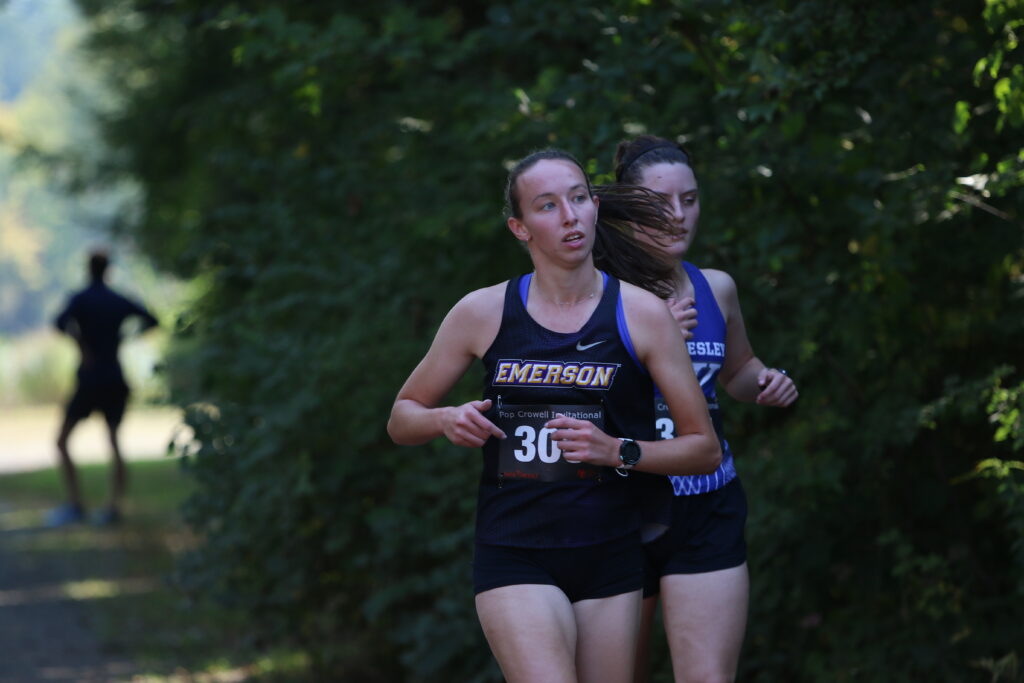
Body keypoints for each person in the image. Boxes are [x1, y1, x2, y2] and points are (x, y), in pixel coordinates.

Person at [387, 149, 722, 683]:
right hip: (514, 552)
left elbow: (704, 449)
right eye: (548, 206)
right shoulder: (482, 311)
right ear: (520, 228)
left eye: (579, 198)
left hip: (610, 551)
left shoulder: (642, 315)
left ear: (593, 208)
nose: (570, 216)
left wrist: (618, 450)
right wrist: (444, 419)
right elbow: (402, 417)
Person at [613, 136, 799, 683]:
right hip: (618, 506)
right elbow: (576, 395)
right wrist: (652, 337)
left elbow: (737, 369)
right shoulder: (598, 294)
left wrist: (765, 381)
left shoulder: (715, 288)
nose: (678, 215)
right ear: (625, 207)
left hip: (707, 501)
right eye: (659, 202)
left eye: (690, 200)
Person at [49, 250, 159, 527]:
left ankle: (76, 503)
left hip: (89, 378)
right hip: (114, 377)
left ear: (88, 269)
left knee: (62, 441)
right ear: (108, 270)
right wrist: (126, 337)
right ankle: (113, 506)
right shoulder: (117, 300)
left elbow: (59, 323)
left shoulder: (81, 299)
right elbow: (152, 320)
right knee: (114, 441)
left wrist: (81, 345)